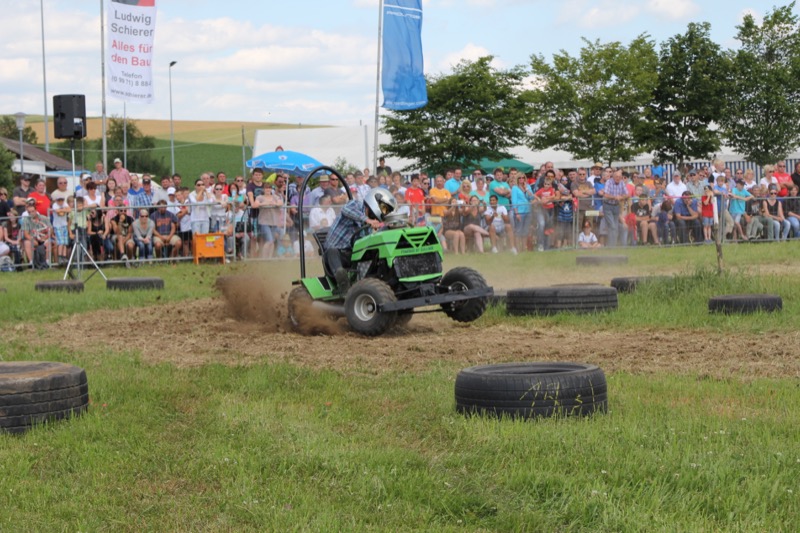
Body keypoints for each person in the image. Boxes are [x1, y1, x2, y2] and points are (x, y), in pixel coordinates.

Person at [323, 188, 396, 294]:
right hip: (336, 253)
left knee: (375, 254)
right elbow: (346, 210)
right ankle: (343, 283)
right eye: (383, 208)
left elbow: (367, 241)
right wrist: (367, 220)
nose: (384, 212)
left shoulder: (370, 223)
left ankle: (382, 281)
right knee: (331, 251)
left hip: (352, 254)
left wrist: (387, 227)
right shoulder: (355, 205)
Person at [21, 199, 51, 269]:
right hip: (33, 237)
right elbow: (26, 234)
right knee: (27, 243)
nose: (31, 213)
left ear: (36, 210)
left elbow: (50, 230)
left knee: (48, 242)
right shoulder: (26, 220)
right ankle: (31, 262)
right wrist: (32, 240)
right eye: (29, 212)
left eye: (33, 211)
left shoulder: (44, 218)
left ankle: (47, 262)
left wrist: (46, 237)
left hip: (43, 237)